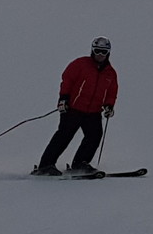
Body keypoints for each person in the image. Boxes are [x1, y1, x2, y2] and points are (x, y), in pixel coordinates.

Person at [33, 37, 117, 176]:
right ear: (92, 50)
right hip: (73, 108)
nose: (100, 55)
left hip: (94, 111)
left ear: (108, 53)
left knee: (94, 136)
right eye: (97, 51)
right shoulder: (80, 64)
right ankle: (46, 165)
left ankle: (80, 163)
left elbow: (112, 91)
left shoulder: (110, 73)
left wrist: (109, 106)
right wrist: (63, 99)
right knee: (64, 136)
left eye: (103, 52)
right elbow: (67, 81)